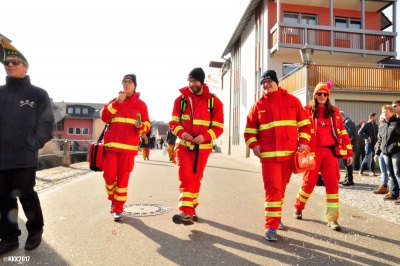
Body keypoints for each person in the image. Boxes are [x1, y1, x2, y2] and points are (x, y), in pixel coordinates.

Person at [0, 38, 54, 254]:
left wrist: (34, 143)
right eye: (7, 63)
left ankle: (35, 230)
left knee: (25, 194)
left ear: (26, 67)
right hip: (1, 157)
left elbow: (47, 124)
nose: (10, 65)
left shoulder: (38, 94)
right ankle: (9, 238)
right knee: (3, 199)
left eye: (15, 62)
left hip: (24, 155)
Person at [244, 70, 311, 242]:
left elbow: (305, 125)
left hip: (288, 157)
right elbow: (250, 131)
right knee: (273, 190)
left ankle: (276, 217)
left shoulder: (292, 101)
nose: (266, 85)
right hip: (269, 158)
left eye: (269, 81)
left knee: (280, 189)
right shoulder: (257, 106)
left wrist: (303, 141)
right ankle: (271, 226)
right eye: (263, 83)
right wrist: (254, 144)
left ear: (276, 82)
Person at [293, 81, 353, 232]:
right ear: (315, 95)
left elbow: (343, 132)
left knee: (333, 184)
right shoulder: (307, 110)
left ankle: (332, 218)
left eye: (325, 94)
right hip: (311, 153)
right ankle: (298, 206)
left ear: (328, 96)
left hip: (329, 152)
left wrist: (349, 153)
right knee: (309, 183)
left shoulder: (334, 112)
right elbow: (297, 129)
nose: (322, 96)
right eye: (319, 93)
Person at [169, 67, 224, 226]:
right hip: (185, 147)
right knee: (186, 177)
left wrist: (205, 136)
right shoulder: (181, 100)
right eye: (190, 81)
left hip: (203, 148)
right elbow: (174, 123)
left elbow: (218, 127)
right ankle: (186, 211)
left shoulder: (214, 102)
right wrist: (181, 133)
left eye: (195, 81)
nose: (192, 84)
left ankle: (192, 208)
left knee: (195, 179)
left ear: (202, 81)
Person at [100, 74, 150, 221]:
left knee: (122, 179)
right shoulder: (115, 101)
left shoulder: (141, 105)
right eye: (124, 82)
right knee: (109, 176)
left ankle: (118, 208)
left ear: (135, 86)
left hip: (128, 149)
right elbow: (104, 117)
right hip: (111, 147)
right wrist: (117, 102)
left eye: (130, 82)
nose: (126, 84)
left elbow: (147, 126)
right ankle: (113, 198)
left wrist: (141, 126)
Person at [374, 105, 400, 205]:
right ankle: (394, 193)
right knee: (390, 174)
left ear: (392, 112)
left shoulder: (397, 122)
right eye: (383, 111)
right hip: (385, 153)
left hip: (396, 151)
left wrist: (396, 145)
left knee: (398, 173)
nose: (385, 113)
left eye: (387, 111)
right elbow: (380, 140)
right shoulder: (382, 125)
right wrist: (377, 153)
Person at [372, 113, 389, 194]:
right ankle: (384, 186)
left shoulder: (390, 126)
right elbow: (379, 141)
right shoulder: (380, 127)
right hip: (382, 152)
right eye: (381, 118)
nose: (382, 119)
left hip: (389, 152)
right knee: (383, 171)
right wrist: (377, 153)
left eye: (383, 118)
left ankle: (394, 189)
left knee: (391, 172)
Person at [339, 111, 357, 186]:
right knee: (346, 162)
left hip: (348, 146)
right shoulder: (346, 122)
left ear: (341, 116)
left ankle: (349, 180)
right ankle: (347, 178)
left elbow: (349, 135)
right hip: (347, 145)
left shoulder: (347, 122)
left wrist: (347, 143)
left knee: (347, 162)